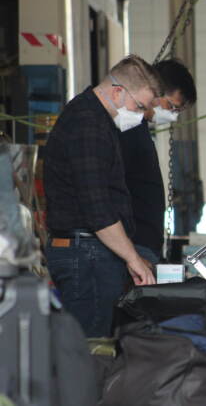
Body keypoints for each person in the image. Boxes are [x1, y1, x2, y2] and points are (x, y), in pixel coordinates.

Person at [44, 55, 161, 337]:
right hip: (86, 257)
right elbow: (98, 209)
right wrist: (133, 259)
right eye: (139, 106)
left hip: (90, 254)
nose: (141, 114)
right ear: (118, 91)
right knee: (93, 352)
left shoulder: (96, 120)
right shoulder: (88, 126)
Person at [119, 58, 197, 264]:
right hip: (134, 246)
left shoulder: (140, 129)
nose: (172, 116)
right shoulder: (125, 129)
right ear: (154, 90)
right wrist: (130, 254)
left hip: (144, 246)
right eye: (171, 106)